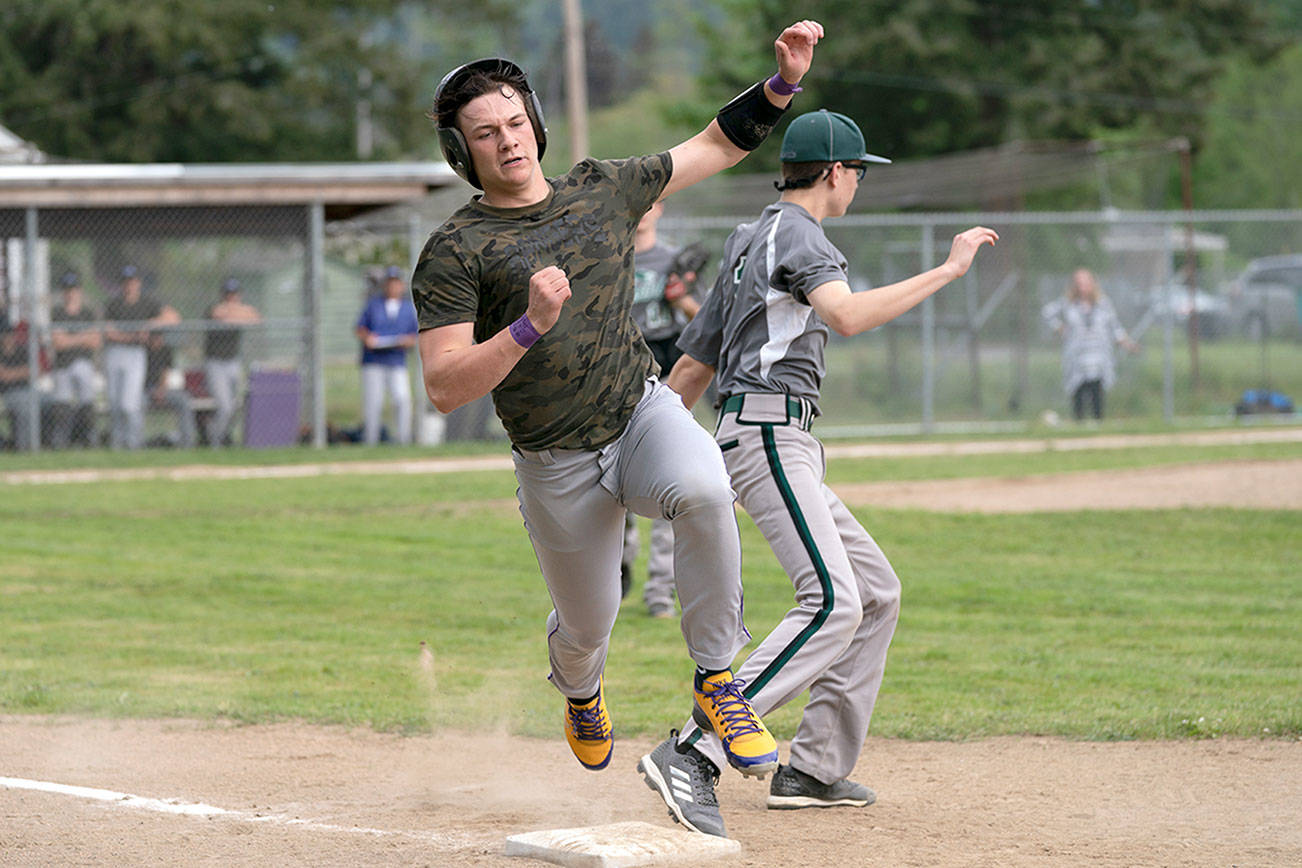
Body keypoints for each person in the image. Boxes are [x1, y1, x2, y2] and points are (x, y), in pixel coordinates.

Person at [413, 20, 824, 789]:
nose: (506, 142)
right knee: (588, 624)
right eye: (484, 134)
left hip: (640, 412)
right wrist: (527, 326)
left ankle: (716, 680)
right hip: (554, 458)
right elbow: (444, 385)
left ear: (534, 123)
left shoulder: (601, 189)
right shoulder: (457, 249)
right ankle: (578, 689)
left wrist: (782, 85)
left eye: (513, 123)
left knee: (706, 488)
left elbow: (715, 145)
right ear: (461, 152)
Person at [642, 109, 998, 836]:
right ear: (836, 172)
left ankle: (812, 768)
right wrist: (951, 268)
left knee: (875, 593)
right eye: (858, 170)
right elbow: (847, 316)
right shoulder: (801, 234)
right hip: (771, 435)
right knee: (834, 598)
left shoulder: (749, 238)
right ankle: (696, 747)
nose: (859, 182)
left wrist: (645, 449)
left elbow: (688, 366)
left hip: (766, 435)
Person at [621, 200, 709, 617]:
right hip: (619, 373)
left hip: (668, 370)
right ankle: (617, 572)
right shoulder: (609, 259)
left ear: (661, 208)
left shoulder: (674, 259)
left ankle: (660, 588)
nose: (641, 210)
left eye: (650, 202)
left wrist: (681, 298)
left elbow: (704, 322)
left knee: (668, 479)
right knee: (612, 477)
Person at [1043, 268, 1138, 422]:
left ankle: (1098, 425)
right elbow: (1047, 313)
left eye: (1085, 283)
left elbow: (1114, 327)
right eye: (1079, 283)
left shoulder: (1103, 304)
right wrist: (1059, 328)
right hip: (1077, 358)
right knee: (1078, 391)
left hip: (1098, 357)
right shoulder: (1068, 304)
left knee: (1097, 392)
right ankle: (1078, 424)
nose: (1082, 287)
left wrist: (1126, 343)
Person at [102, 265, 179, 450]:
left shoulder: (148, 303)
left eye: (133, 282)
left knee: (129, 404)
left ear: (138, 283)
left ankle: (134, 443)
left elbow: (173, 317)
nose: (129, 286)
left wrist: (149, 324)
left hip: (136, 354)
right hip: (115, 353)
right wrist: (133, 336)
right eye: (126, 282)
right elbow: (108, 332)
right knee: (115, 402)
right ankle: (117, 443)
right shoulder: (114, 303)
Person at [357, 265, 419, 445]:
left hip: (396, 359)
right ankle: (371, 441)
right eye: (390, 283)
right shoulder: (373, 304)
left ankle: (403, 440)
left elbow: (414, 334)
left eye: (396, 283)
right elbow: (360, 328)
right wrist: (368, 338)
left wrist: (408, 341)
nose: (393, 287)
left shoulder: (408, 308)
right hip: (373, 360)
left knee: (402, 399)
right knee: (373, 403)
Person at [203, 276, 261, 447]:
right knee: (225, 406)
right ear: (223, 295)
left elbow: (255, 317)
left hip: (233, 363)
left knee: (237, 405)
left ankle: (223, 436)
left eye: (235, 294)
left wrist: (236, 314)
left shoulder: (240, 309)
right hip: (215, 364)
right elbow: (219, 314)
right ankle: (214, 439)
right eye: (228, 294)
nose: (232, 298)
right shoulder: (212, 309)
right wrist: (238, 314)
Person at [49, 271, 101, 448]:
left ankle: (89, 439)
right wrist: (82, 337)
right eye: (67, 289)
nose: (70, 293)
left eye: (74, 289)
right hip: (63, 364)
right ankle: (61, 442)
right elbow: (58, 342)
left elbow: (95, 341)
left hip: (83, 363)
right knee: (61, 402)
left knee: (85, 388)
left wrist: (70, 338)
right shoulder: (57, 312)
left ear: (79, 291)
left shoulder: (87, 313)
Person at [145, 334, 197, 449]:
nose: (158, 341)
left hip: (162, 390)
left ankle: (188, 443)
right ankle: (135, 444)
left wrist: (161, 390)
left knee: (184, 400)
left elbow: (165, 372)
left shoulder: (165, 351)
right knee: (134, 403)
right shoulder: (142, 351)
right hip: (143, 391)